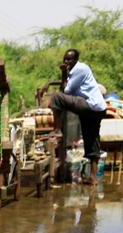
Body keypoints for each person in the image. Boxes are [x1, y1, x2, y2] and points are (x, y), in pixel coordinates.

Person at [49, 49, 107, 184]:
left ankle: (57, 129)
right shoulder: (74, 72)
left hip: (90, 105)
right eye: (65, 59)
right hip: (96, 109)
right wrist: (65, 74)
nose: (67, 62)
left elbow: (65, 91)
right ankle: (93, 178)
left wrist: (63, 72)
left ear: (76, 60)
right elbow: (67, 88)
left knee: (56, 98)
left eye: (70, 59)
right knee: (91, 139)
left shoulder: (80, 69)